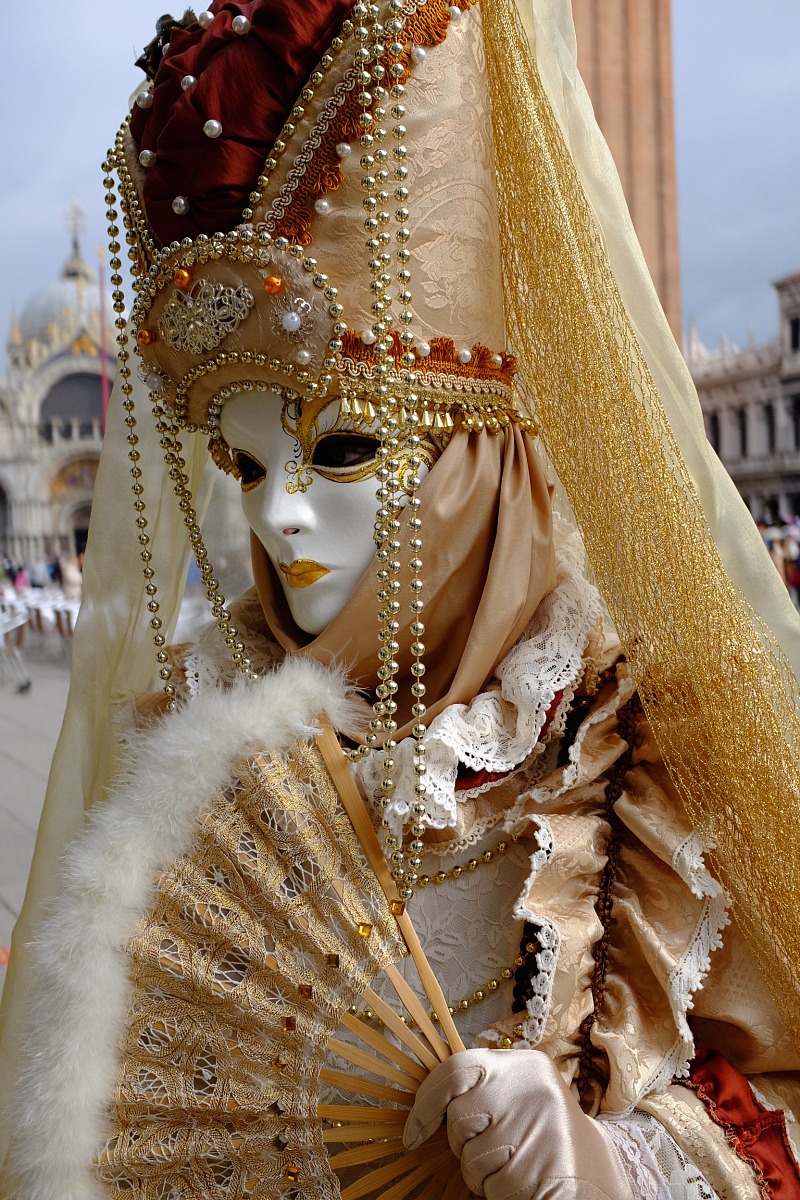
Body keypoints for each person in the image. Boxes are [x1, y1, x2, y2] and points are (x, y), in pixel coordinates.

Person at [2, 1, 800, 1197]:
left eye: (340, 454)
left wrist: (604, 1165)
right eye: (246, 462)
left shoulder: (643, 760)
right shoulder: (197, 744)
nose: (279, 518)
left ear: (476, 465)